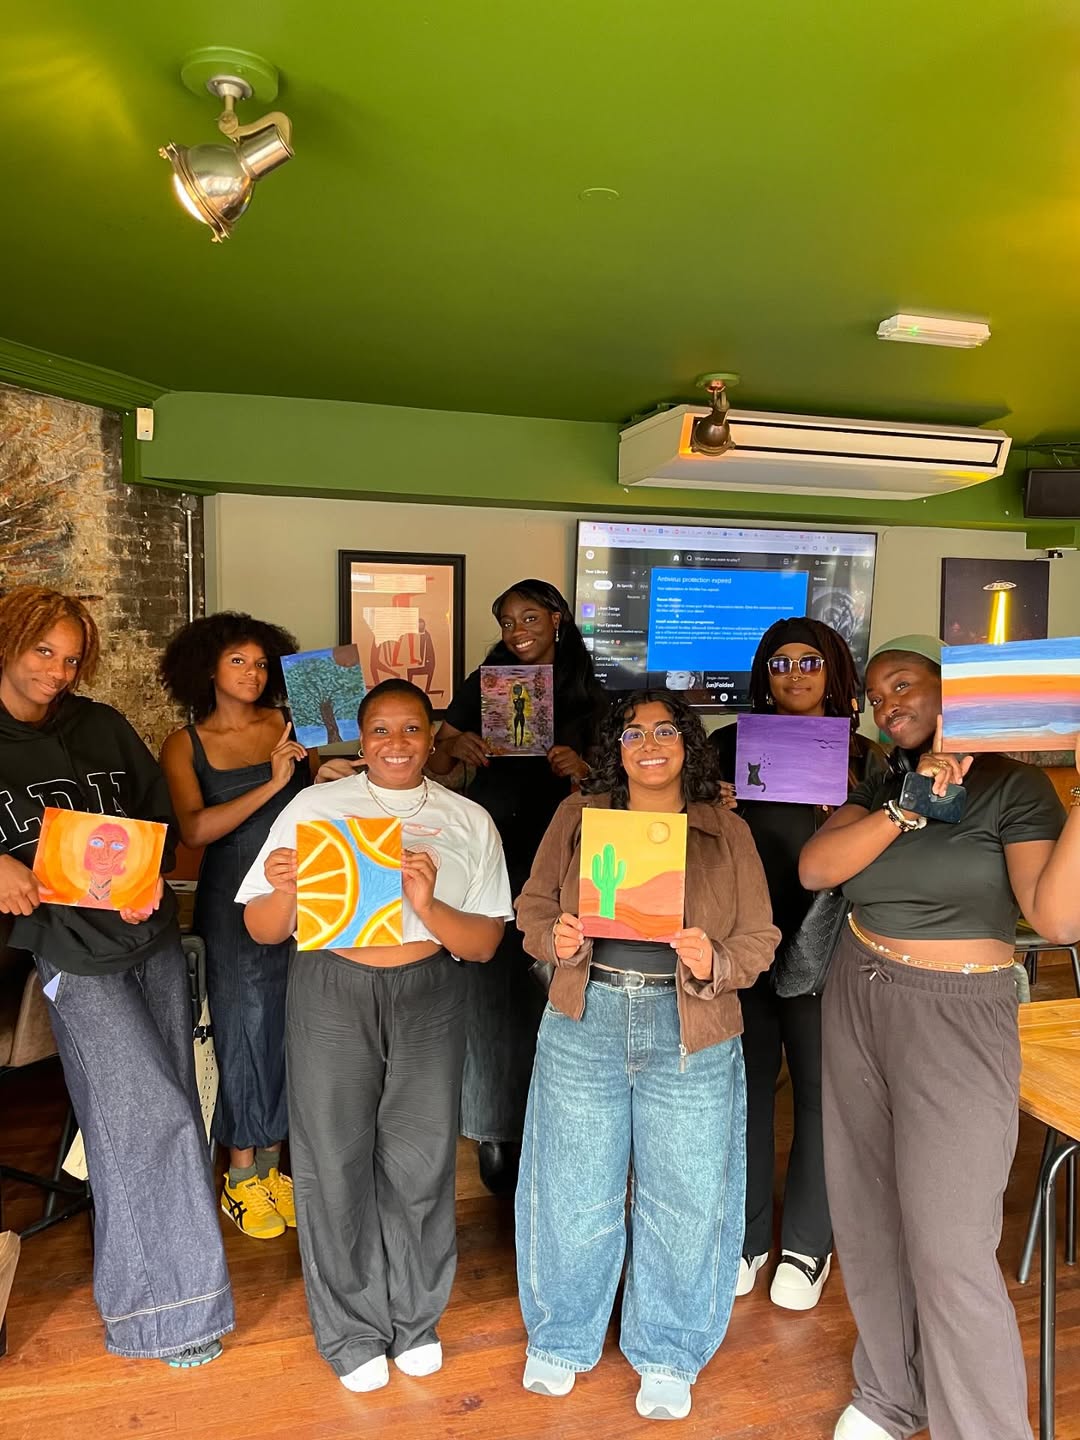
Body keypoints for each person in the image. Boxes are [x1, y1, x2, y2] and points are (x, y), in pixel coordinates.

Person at [799, 634, 1066, 1440]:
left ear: (956, 693)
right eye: (878, 697)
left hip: (958, 1010)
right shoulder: (883, 781)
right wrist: (901, 804)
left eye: (904, 684)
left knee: (950, 1243)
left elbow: (1054, 918)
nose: (889, 704)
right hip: (859, 988)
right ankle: (890, 1393)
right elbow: (819, 869)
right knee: (868, 1213)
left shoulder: (1017, 789)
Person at [237, 679, 513, 1394]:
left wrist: (427, 900)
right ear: (361, 741)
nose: (397, 743)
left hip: (430, 991)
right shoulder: (315, 806)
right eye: (382, 731)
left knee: (420, 1159)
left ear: (433, 738)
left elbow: (482, 945)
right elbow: (262, 929)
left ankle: (416, 1319)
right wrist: (287, 889)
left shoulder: (467, 819)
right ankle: (352, 1330)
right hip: (332, 987)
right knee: (333, 1159)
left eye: (412, 730)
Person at [515, 689, 779, 1422]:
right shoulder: (578, 816)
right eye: (634, 732)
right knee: (570, 1186)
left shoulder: (726, 830)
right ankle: (563, 1335)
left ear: (689, 745)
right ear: (617, 748)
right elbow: (532, 906)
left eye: (667, 730)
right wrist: (556, 940)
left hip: (688, 1024)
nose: (650, 742)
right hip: (586, 1014)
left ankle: (668, 1349)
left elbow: (761, 938)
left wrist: (715, 958)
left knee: (687, 1197)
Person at [0, 585, 233, 1366]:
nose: (57, 672)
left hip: (148, 937)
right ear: (8, 640)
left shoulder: (99, 725)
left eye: (70, 659)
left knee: (173, 1109)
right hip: (67, 954)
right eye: (43, 653)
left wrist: (153, 878)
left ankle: (171, 1294)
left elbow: (157, 820)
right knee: (145, 1117)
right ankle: (170, 1317)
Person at [711, 617, 885, 1310]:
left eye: (808, 661)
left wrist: (846, 812)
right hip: (745, 942)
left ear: (834, 667)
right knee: (745, 1092)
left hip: (829, 946)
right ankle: (747, 1239)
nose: (794, 675)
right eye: (778, 664)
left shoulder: (871, 759)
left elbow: (892, 854)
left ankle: (809, 1246)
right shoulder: (727, 748)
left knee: (821, 1095)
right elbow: (689, 838)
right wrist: (711, 806)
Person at [429, 579, 604, 1192]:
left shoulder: (593, 692)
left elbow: (622, 787)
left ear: (557, 617)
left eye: (529, 617)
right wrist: (456, 742)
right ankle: (495, 1129)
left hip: (561, 854)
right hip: (491, 846)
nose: (517, 630)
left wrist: (583, 771)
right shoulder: (487, 682)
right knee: (492, 989)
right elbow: (439, 766)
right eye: (506, 621)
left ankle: (556, 1123)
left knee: (555, 985)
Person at [159, 612, 310, 1240]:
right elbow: (194, 830)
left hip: (300, 889)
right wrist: (274, 782)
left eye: (260, 662)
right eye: (238, 662)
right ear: (208, 670)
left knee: (290, 1023)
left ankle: (275, 1163)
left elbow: (308, 803)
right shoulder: (184, 743)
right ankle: (241, 1175)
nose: (253, 673)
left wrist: (316, 775)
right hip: (231, 898)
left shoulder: (290, 723)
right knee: (243, 1024)